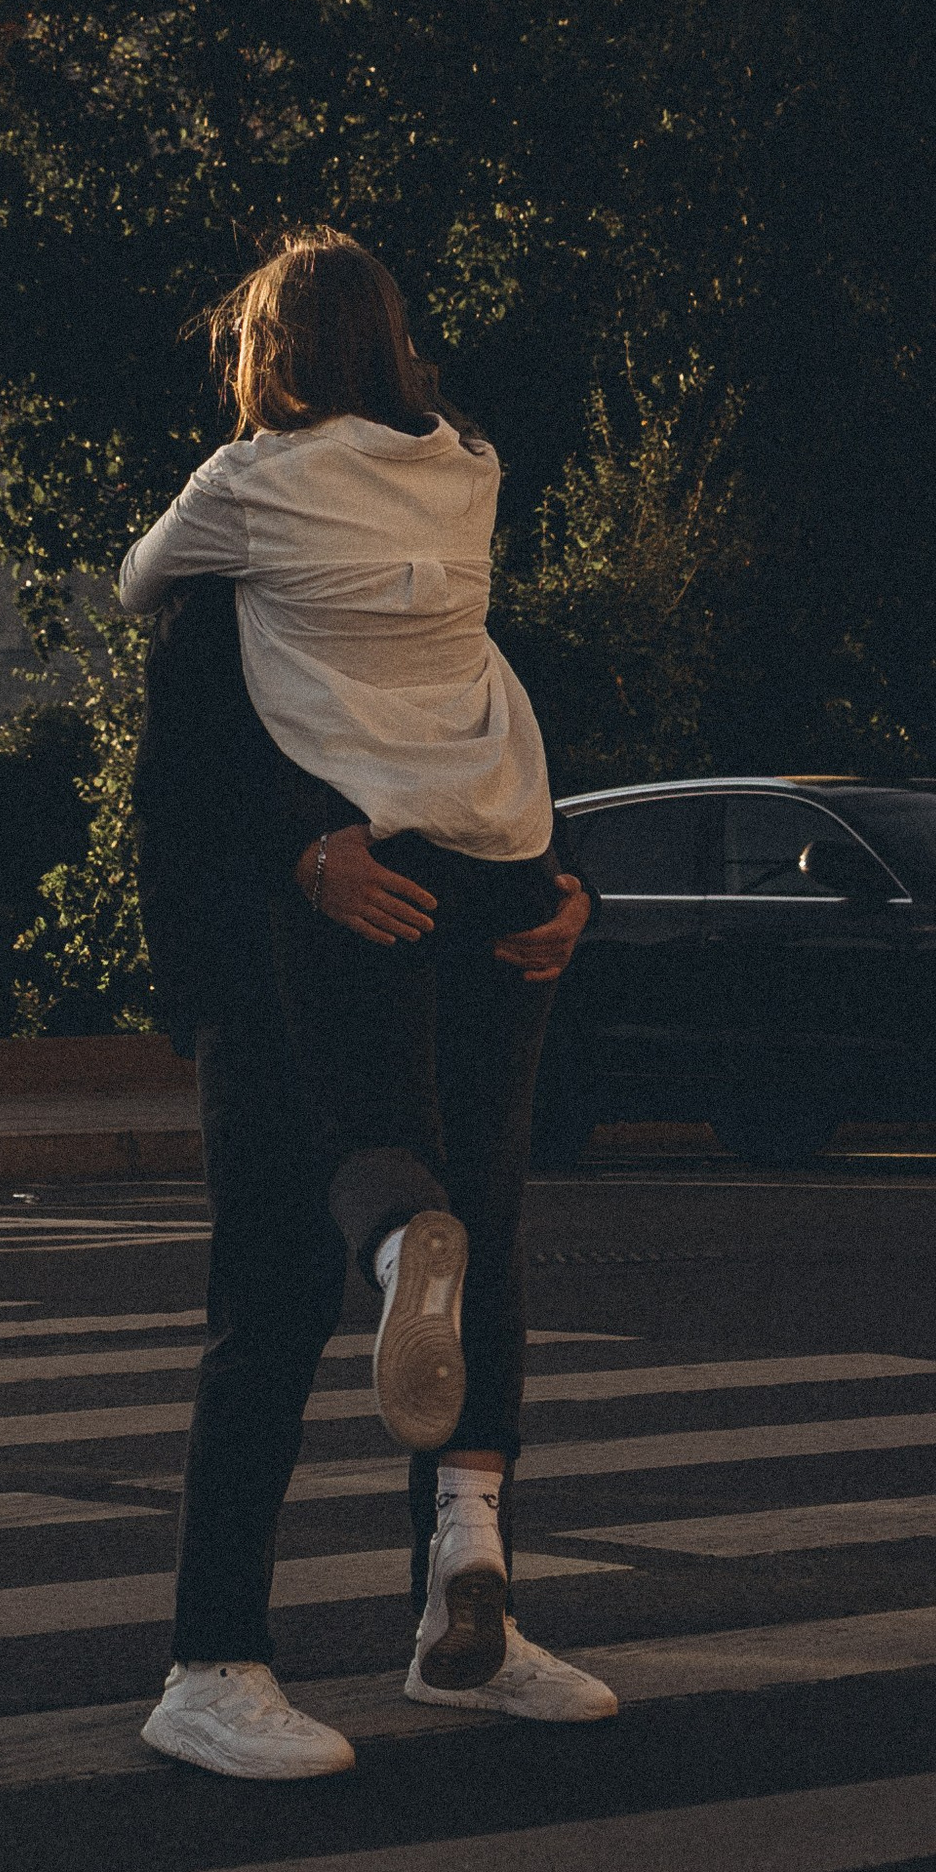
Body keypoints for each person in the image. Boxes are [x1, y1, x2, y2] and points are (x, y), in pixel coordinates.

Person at [121, 227, 617, 1780]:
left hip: (422, 945)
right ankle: (212, 1663)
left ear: (263, 358)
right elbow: (190, 792)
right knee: (295, 1298)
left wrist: (564, 884)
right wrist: (307, 857)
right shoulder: (304, 555)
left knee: (443, 1272)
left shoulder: (308, 532)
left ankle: (452, 1633)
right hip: (277, 975)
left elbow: (471, 722)